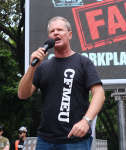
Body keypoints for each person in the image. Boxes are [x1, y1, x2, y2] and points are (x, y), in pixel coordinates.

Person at [18, 16, 105, 150]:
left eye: (60, 30)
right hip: (45, 141)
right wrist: (32, 67)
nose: (55, 33)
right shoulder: (42, 67)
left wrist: (86, 121)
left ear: (69, 35)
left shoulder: (83, 62)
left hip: (76, 141)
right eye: (52, 31)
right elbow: (23, 94)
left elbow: (99, 94)